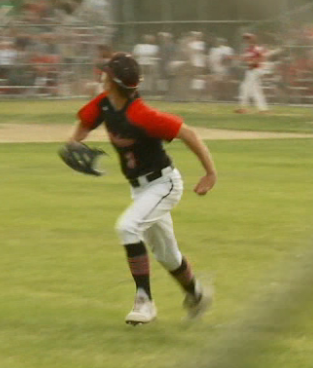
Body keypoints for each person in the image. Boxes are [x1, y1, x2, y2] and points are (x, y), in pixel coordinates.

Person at [66, 53, 217, 325]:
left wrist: (210, 172)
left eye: (106, 74)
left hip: (164, 184)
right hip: (140, 190)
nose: (101, 76)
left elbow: (188, 134)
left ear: (114, 82)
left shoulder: (142, 115)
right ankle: (196, 295)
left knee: (127, 227)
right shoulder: (104, 104)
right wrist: (73, 144)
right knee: (168, 256)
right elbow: (83, 126)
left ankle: (144, 300)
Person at [235, 33, 270, 114]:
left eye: (248, 38)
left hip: (255, 70)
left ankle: (243, 107)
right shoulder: (248, 50)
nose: (247, 40)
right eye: (246, 39)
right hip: (250, 71)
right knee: (256, 90)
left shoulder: (257, 49)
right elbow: (245, 59)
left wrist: (254, 62)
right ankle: (263, 109)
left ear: (253, 39)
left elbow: (262, 57)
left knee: (245, 87)